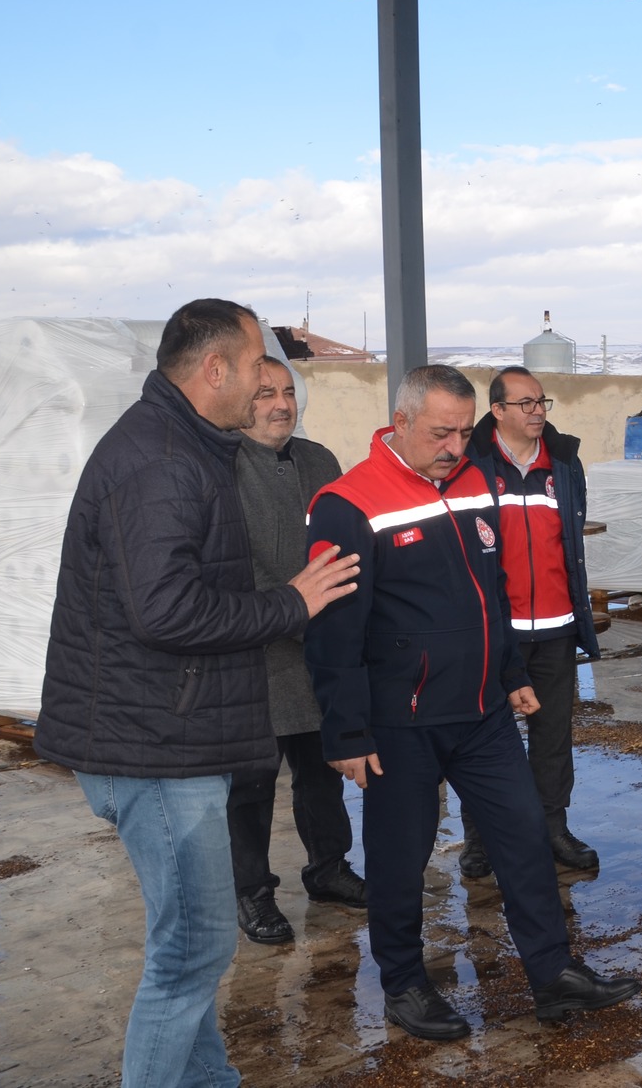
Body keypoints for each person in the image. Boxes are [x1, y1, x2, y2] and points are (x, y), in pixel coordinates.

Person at [35, 298, 360, 1088]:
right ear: (214, 370)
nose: (268, 383)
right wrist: (295, 600)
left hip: (160, 734)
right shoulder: (163, 462)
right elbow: (167, 609)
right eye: (258, 366)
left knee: (195, 950)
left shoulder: (184, 444)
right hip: (151, 747)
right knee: (190, 954)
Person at [304, 364, 641, 1041]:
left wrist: (511, 669)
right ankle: (404, 983)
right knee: (401, 859)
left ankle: (553, 975)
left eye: (464, 431)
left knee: (522, 839)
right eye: (440, 433)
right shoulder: (348, 503)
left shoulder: (476, 482)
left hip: (483, 711)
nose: (456, 446)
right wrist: (345, 734)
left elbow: (493, 592)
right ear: (399, 423)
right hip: (402, 721)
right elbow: (332, 633)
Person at [226, 356, 366, 944]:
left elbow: (345, 543)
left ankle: (328, 868)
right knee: (253, 784)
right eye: (264, 394)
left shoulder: (320, 461)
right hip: (256, 650)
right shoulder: (221, 466)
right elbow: (230, 562)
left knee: (321, 772)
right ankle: (253, 892)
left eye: (287, 392)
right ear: (241, 401)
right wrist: (292, 608)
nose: (280, 404)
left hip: (319, 649)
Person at [460, 365, 599, 881]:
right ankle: (480, 837)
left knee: (552, 735)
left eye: (542, 402)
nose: (539, 411)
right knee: (483, 736)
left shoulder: (563, 461)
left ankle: (552, 827)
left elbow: (571, 540)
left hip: (557, 626)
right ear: (497, 411)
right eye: (527, 403)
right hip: (494, 631)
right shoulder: (472, 463)